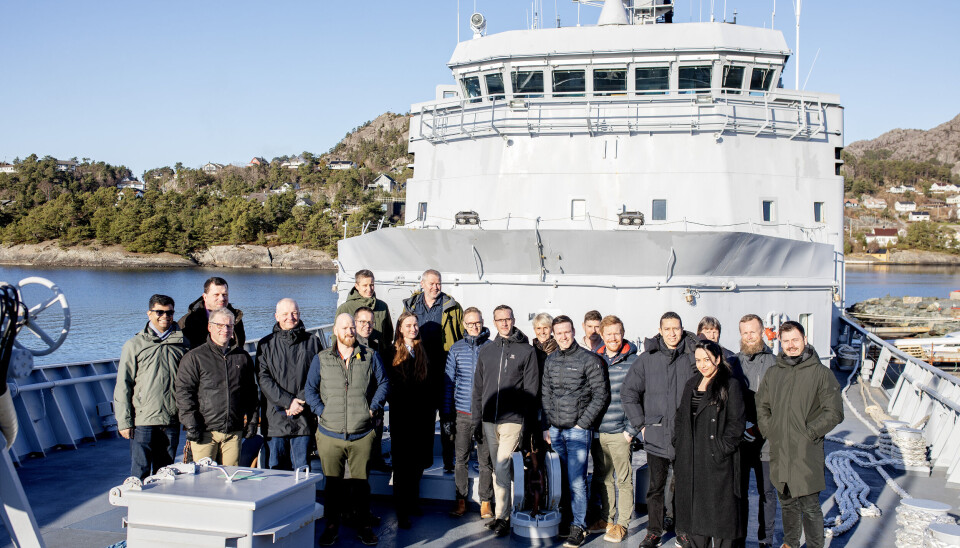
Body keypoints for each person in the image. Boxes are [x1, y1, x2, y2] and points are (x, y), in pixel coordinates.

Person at [757, 321, 843, 548]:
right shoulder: (774, 373)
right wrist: (770, 431)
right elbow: (762, 406)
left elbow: (834, 412)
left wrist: (810, 433)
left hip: (806, 450)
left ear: (804, 340)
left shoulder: (820, 373)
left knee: (810, 505)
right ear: (780, 343)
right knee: (786, 501)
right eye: (786, 341)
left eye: (795, 340)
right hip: (780, 448)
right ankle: (790, 543)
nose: (791, 345)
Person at [306, 313, 387, 546]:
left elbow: (383, 383)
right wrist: (322, 411)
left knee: (361, 484)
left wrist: (372, 409)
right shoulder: (322, 358)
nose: (350, 331)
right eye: (345, 327)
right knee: (332, 485)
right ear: (335, 330)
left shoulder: (370, 356)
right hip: (330, 434)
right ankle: (331, 527)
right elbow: (310, 389)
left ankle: (364, 526)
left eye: (352, 327)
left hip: (361, 433)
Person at [622, 311, 697, 548]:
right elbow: (629, 392)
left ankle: (682, 530)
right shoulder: (647, 359)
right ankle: (654, 531)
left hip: (686, 435)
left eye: (676, 328)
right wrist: (641, 424)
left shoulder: (693, 356)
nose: (672, 333)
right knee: (655, 487)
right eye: (668, 329)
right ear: (660, 330)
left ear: (682, 329)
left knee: (684, 486)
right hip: (656, 433)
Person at [471, 304, 540, 537]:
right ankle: (505, 511)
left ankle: (503, 516)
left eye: (508, 319)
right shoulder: (487, 351)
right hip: (489, 419)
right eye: (499, 320)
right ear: (494, 322)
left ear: (513, 319)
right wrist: (476, 421)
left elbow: (531, 389)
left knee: (501, 465)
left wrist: (528, 425)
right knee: (495, 468)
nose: (504, 323)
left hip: (513, 419)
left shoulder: (526, 351)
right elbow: (478, 388)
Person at [541, 315, 610, 548]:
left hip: (578, 431)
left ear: (573, 331)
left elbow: (600, 394)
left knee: (577, 481)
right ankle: (566, 519)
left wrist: (583, 423)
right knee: (560, 479)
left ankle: (579, 526)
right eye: (558, 333)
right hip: (556, 430)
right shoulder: (550, 360)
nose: (563, 337)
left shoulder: (588, 360)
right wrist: (549, 423)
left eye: (566, 332)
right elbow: (546, 394)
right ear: (554, 334)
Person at [673, 340, 746, 548]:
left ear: (718, 359)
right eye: (698, 360)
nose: (702, 365)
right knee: (696, 522)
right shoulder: (691, 384)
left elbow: (736, 424)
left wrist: (719, 449)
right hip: (691, 462)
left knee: (721, 522)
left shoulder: (730, 385)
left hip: (717, 465)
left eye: (707, 359)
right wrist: (679, 443)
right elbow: (680, 418)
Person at [114, 294, 189, 479]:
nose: (165, 316)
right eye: (160, 312)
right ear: (149, 314)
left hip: (171, 420)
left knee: (165, 473)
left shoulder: (182, 344)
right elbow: (124, 384)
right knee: (140, 472)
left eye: (169, 312)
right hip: (143, 421)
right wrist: (124, 422)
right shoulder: (134, 345)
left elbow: (189, 383)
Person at [175, 308, 258, 466]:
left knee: (230, 480)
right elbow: (184, 393)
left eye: (229, 326)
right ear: (209, 327)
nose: (225, 330)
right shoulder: (194, 357)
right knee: (203, 481)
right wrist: (191, 424)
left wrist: (252, 421)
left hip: (233, 431)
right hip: (205, 431)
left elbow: (251, 393)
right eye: (219, 325)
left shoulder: (242, 357)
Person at [402, 269, 464, 472]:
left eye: (438, 283)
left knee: (448, 418)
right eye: (431, 283)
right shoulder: (411, 306)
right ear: (422, 284)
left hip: (444, 371)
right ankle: (423, 460)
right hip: (419, 372)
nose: (435, 287)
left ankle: (449, 461)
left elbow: (460, 337)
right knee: (423, 419)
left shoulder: (452, 307)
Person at [587, 315, 639, 543]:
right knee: (603, 477)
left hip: (621, 431)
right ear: (602, 335)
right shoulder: (595, 360)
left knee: (624, 480)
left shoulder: (634, 361)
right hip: (599, 431)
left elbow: (640, 396)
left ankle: (622, 523)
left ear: (623, 332)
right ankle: (606, 518)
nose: (613, 338)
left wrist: (631, 429)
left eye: (617, 333)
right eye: (608, 334)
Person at [256, 298, 323, 471]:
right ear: (276, 316)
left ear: (299, 314)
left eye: (294, 313)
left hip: (303, 418)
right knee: (275, 470)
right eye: (285, 314)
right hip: (275, 421)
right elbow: (264, 378)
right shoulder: (265, 344)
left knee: (302, 470)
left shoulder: (312, 342)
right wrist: (288, 402)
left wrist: (299, 401)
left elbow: (317, 376)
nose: (290, 317)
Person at [442, 307, 494, 519]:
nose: (474, 327)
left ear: (483, 322)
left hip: (485, 414)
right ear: (464, 325)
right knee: (460, 459)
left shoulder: (492, 348)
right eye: (470, 323)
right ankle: (460, 500)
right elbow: (449, 383)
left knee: (485, 461)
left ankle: (485, 502)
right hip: (462, 413)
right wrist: (447, 414)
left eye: (477, 323)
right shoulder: (456, 349)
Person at [387, 312, 436, 529]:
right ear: (400, 328)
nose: (413, 329)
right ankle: (402, 510)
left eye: (415, 325)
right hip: (402, 417)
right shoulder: (391, 352)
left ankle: (413, 501)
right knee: (402, 465)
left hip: (423, 416)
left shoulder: (424, 351)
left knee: (418, 462)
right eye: (408, 325)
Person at [737, 314, 779, 548]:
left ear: (762, 332)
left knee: (767, 493)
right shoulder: (734, 363)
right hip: (742, 441)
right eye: (745, 332)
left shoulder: (774, 363)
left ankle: (766, 539)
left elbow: (778, 402)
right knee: (740, 493)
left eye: (753, 332)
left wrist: (761, 427)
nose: (749, 337)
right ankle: (740, 537)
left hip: (766, 442)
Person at [354, 305, 391, 471]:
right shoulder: (349, 344)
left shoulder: (378, 342)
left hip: (375, 395)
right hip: (356, 399)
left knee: (376, 429)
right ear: (354, 323)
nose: (366, 325)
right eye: (362, 322)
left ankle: (376, 459)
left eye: (370, 322)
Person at [336, 270, 393, 359]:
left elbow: (388, 334)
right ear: (357, 286)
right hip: (356, 358)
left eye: (371, 285)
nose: (369, 289)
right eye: (365, 285)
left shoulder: (382, 306)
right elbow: (336, 337)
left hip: (379, 357)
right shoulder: (345, 308)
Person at [178, 277, 246, 350]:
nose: (222, 299)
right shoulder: (187, 322)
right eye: (216, 295)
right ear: (205, 297)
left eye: (224, 294)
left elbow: (239, 345)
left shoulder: (235, 318)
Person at [532, 311, 559, 376]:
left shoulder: (559, 350)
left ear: (552, 329)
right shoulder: (530, 350)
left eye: (545, 328)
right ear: (534, 330)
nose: (542, 332)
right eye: (538, 328)